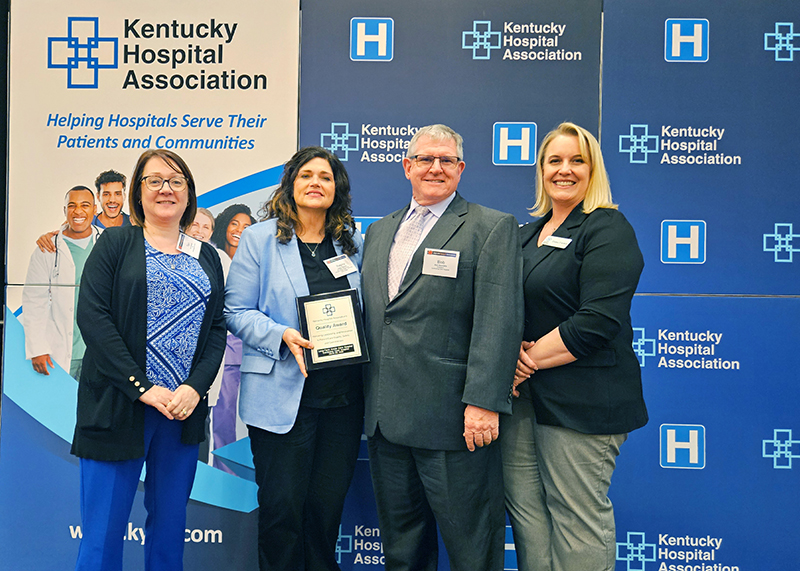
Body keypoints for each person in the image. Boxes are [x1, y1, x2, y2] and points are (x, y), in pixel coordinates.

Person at [360, 124, 523, 570]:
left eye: (446, 160)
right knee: (402, 550)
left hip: (454, 421)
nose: (436, 168)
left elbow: (499, 320)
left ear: (461, 168)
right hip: (385, 420)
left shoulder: (490, 227)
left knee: (472, 549)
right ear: (407, 166)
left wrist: (484, 403)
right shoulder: (379, 231)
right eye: (425, 159)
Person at [71, 149, 226, 571]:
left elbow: (216, 328)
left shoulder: (207, 256)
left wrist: (195, 388)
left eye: (176, 181)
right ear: (138, 191)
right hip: (118, 407)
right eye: (154, 180)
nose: (165, 189)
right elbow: (93, 318)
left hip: (180, 413)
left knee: (169, 535)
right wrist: (142, 387)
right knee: (102, 537)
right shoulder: (115, 244)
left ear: (189, 193)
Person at [503, 122, 648, 571]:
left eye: (577, 160)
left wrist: (521, 362)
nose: (564, 170)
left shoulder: (606, 227)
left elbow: (597, 321)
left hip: (583, 404)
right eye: (555, 161)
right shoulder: (526, 235)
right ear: (541, 171)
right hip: (523, 404)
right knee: (528, 517)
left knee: (576, 520)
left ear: (593, 170)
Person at [225, 146, 364, 571]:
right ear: (290, 184)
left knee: (325, 513)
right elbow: (235, 311)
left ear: (337, 188)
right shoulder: (260, 239)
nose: (315, 183)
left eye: (325, 176)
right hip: (280, 398)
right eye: (306, 175)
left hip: (342, 401)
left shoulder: (351, 242)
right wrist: (281, 335)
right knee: (282, 513)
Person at [22, 186, 100, 379]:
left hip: (99, 350)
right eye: (72, 205)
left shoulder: (108, 242)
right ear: (65, 210)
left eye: (85, 205)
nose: (78, 211)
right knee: (63, 397)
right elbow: (34, 301)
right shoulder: (47, 248)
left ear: (95, 209)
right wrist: (37, 348)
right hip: (62, 350)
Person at [208, 203, 256, 467]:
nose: (239, 230)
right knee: (223, 415)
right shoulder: (211, 257)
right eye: (234, 224)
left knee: (251, 420)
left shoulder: (256, 261)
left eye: (247, 226)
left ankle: (249, 472)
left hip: (251, 349)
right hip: (222, 350)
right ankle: (223, 472)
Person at [34, 169, 129, 254]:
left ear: (124, 196)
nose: (112, 200)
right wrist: (47, 239)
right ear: (98, 197)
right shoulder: (84, 222)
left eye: (117, 194)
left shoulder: (134, 223)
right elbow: (61, 237)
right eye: (106, 194)